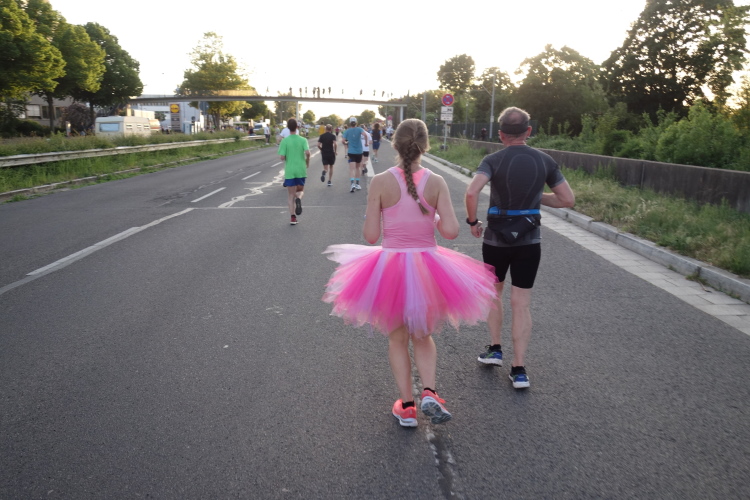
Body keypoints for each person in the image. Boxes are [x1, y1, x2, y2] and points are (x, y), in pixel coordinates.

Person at [323, 119, 498, 428]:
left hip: (389, 266)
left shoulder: (380, 182)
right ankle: (429, 391)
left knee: (397, 337)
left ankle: (406, 407)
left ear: (395, 144)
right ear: (425, 146)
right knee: (423, 335)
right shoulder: (437, 181)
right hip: (428, 267)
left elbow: (371, 236)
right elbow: (451, 232)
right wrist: (435, 217)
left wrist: (379, 212)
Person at [464, 107, 575, 389]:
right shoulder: (545, 160)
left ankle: (495, 349)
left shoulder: (492, 160)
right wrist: (535, 197)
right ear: (529, 131)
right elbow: (567, 199)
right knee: (521, 303)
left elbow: (472, 191)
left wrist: (473, 222)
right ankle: (519, 368)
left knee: (494, 294)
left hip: (495, 241)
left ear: (501, 134)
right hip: (529, 241)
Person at [278, 118, 311, 225]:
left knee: (290, 195)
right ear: (297, 127)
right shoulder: (303, 140)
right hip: (300, 169)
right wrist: (307, 162)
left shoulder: (284, 141)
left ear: (288, 128)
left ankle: (293, 218)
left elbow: (282, 157)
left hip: (290, 171)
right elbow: (308, 153)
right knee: (300, 191)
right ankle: (299, 198)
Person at [342, 117, 369, 192]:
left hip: (351, 152)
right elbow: (365, 135)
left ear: (350, 123)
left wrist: (346, 143)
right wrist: (366, 143)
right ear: (356, 122)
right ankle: (357, 184)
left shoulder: (347, 131)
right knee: (358, 168)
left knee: (352, 169)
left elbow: (343, 141)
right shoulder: (359, 129)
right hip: (359, 152)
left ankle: (352, 184)